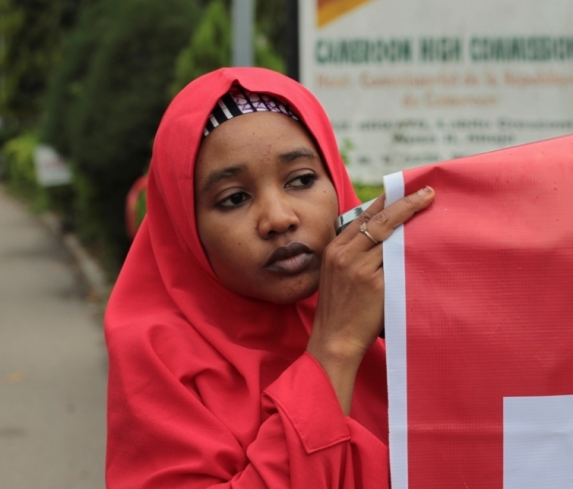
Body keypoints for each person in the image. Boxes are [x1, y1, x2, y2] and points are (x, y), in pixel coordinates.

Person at [104, 67, 434, 488]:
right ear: (187, 228)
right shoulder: (156, 353)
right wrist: (334, 351)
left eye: (301, 179)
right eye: (234, 199)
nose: (279, 219)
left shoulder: (393, 304)